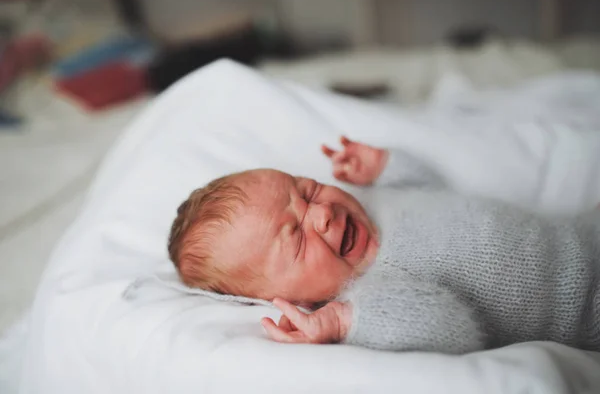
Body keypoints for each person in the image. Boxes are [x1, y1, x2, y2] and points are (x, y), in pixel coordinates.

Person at [167, 136, 600, 354]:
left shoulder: (367, 205)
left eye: (309, 189)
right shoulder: (372, 294)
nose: (321, 213)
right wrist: (346, 323)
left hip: (579, 230)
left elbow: (432, 192)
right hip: (583, 304)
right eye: (296, 237)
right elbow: (452, 331)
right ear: (284, 299)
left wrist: (387, 168)